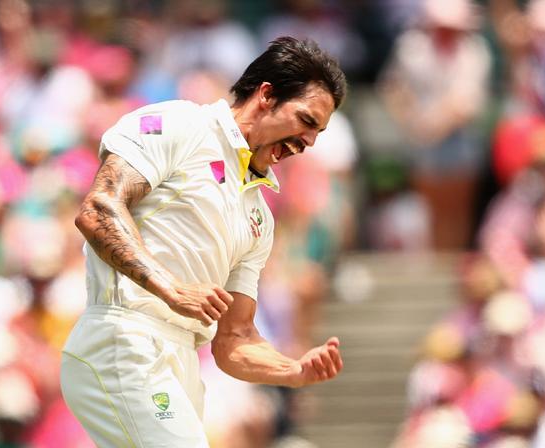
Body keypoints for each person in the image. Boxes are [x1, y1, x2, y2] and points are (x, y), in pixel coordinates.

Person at [59, 36, 347, 447]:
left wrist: (293, 370)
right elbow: (98, 209)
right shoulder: (178, 125)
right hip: (123, 338)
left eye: (318, 131)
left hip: (179, 362)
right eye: (306, 120)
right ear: (266, 95)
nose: (309, 142)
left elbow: (234, 340)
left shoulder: (259, 216)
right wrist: (170, 288)